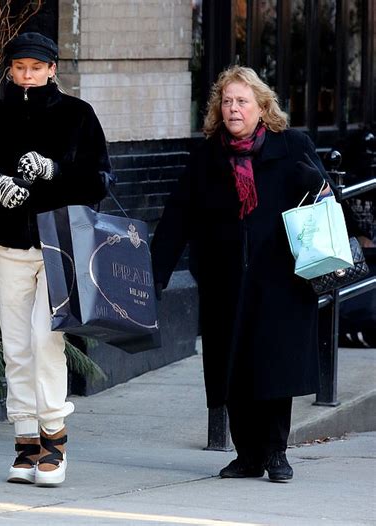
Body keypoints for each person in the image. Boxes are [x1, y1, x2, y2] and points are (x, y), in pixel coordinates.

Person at [151, 65, 333, 482]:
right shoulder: (206, 158)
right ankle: (247, 454)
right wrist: (155, 275)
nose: (233, 109)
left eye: (242, 101)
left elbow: (326, 201)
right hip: (224, 281)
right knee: (232, 368)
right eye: (227, 101)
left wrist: (315, 181)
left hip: (282, 280)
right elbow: (177, 218)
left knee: (274, 367)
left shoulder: (292, 146)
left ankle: (276, 453)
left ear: (262, 107)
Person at [0, 32, 111, 486]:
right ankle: (25, 443)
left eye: (36, 67)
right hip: (7, 246)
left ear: (52, 68)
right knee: (17, 344)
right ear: (10, 69)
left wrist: (54, 171)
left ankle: (53, 442)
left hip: (59, 246)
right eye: (20, 67)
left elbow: (98, 181)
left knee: (45, 339)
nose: (27, 75)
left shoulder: (78, 115)